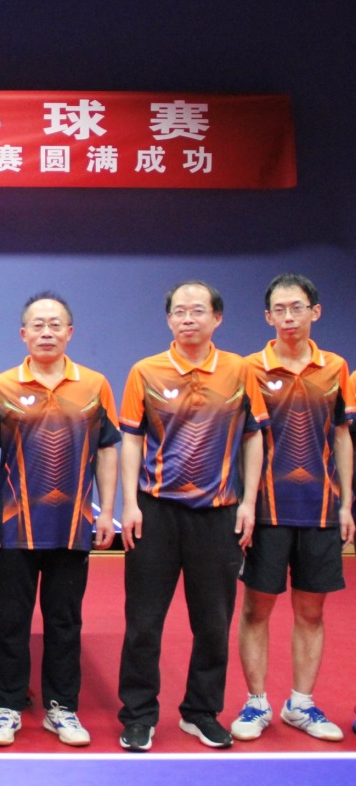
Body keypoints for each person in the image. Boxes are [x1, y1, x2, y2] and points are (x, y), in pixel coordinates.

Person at [117, 280, 267, 752]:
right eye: (179, 311)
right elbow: (131, 438)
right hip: (156, 511)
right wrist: (129, 504)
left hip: (218, 515)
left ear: (217, 318)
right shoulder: (145, 370)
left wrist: (248, 502)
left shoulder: (240, 370)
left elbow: (253, 436)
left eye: (197, 310)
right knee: (143, 623)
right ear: (169, 320)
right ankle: (138, 715)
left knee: (213, 623)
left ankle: (200, 712)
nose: (188, 319)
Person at [0, 292, 120, 747]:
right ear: (23, 334)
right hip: (15, 526)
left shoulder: (95, 385)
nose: (46, 332)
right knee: (12, 621)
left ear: (69, 333)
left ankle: (62, 708)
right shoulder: (0, 386)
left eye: (55, 324)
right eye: (37, 325)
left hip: (72, 526)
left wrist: (108, 511)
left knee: (65, 621)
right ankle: (7, 706)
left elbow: (107, 450)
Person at [231, 273, 353, 743]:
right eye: (279, 310)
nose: (288, 317)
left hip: (320, 509)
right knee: (256, 609)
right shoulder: (250, 368)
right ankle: (256, 702)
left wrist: (345, 502)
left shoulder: (335, 367)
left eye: (296, 308)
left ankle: (301, 703)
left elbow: (341, 433)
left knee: (311, 611)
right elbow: (243, 438)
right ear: (267, 317)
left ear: (314, 311)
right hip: (266, 510)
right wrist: (244, 502)